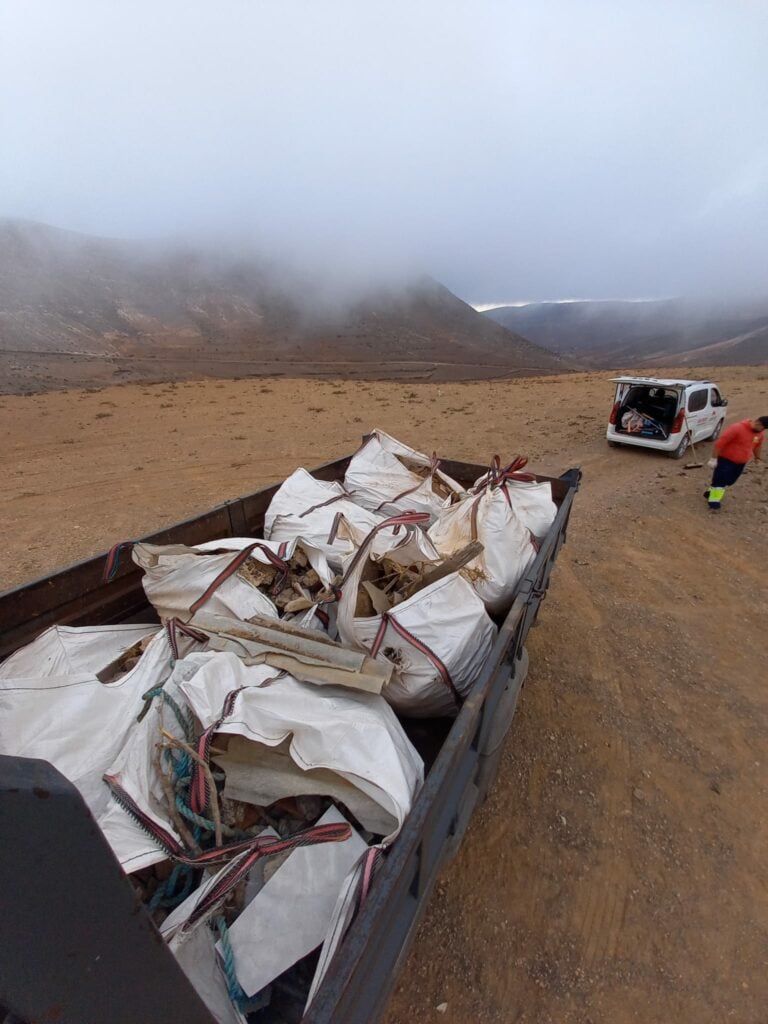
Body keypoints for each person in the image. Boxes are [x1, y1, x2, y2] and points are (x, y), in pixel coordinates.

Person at [706, 416, 768, 511]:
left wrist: (757, 458)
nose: (762, 431)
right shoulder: (737, 428)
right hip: (725, 460)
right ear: (758, 423)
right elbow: (720, 443)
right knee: (721, 480)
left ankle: (711, 491)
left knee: (730, 480)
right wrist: (713, 459)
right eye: (763, 428)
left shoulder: (759, 435)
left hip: (741, 462)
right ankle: (714, 501)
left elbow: (757, 446)